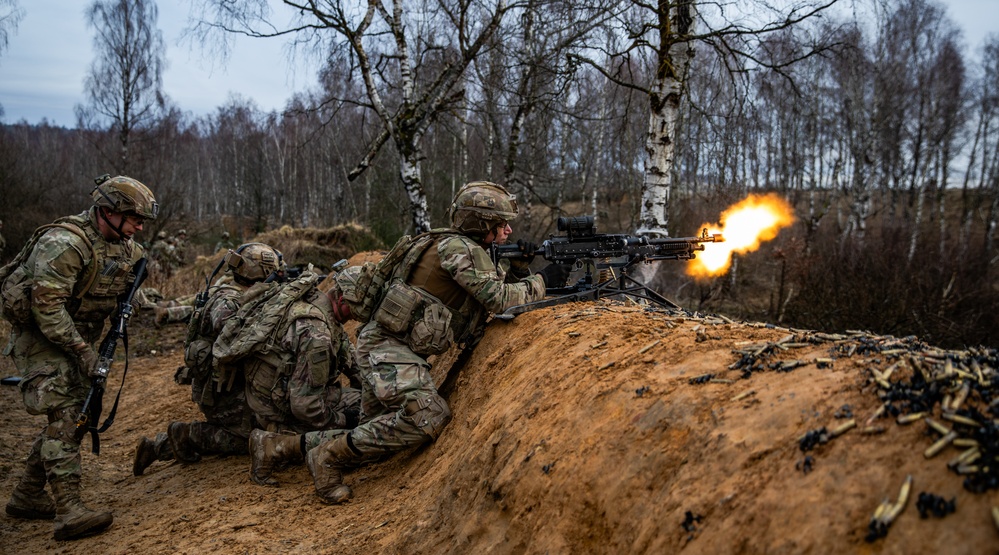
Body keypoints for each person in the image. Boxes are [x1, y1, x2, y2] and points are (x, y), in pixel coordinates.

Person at [248, 181, 570, 502]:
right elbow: (498, 299)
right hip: (388, 349)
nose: (508, 231)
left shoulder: (458, 247)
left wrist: (520, 268)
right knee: (428, 416)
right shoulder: (458, 249)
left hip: (386, 346)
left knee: (376, 433)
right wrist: (542, 280)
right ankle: (326, 457)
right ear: (480, 224)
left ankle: (274, 446)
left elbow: (493, 289)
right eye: (501, 225)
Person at [2, 174, 157, 540]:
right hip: (41, 336)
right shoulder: (64, 244)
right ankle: (69, 511)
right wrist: (84, 353)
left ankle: (26, 495)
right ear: (108, 211)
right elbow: (47, 309)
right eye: (134, 218)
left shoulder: (126, 248)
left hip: (80, 337)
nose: (139, 226)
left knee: (76, 414)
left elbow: (132, 294)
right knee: (68, 412)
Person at [133, 243, 283, 475]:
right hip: (223, 394)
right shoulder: (229, 302)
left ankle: (157, 447)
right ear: (260, 273)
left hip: (226, 387)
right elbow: (228, 330)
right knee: (254, 440)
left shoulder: (229, 292)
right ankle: (186, 435)